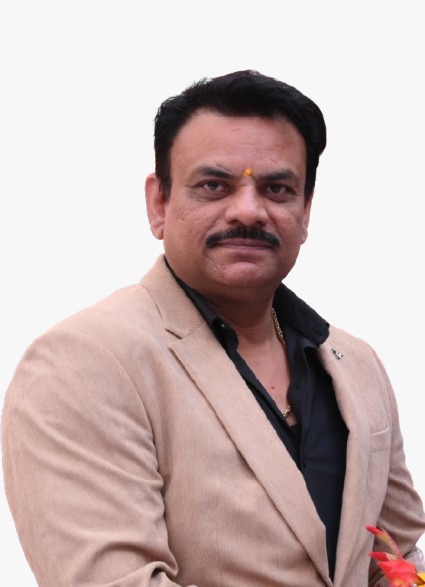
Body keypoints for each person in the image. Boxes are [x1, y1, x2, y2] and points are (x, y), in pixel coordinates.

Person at [2, 70, 425, 587]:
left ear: (306, 209)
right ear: (159, 203)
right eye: (214, 186)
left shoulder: (355, 364)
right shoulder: (84, 363)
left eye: (277, 188)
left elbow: (395, 558)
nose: (248, 211)